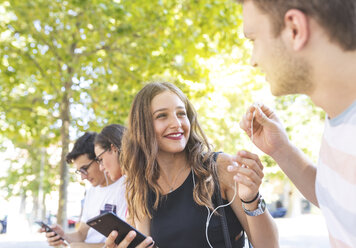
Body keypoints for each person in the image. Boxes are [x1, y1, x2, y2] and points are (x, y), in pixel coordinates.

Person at [236, 1, 356, 247]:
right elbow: (337, 199)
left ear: (294, 29)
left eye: (253, 40)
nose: (252, 60)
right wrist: (282, 150)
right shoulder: (338, 117)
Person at [104, 82, 279, 248]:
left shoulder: (219, 167)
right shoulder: (140, 187)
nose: (177, 123)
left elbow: (269, 246)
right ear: (142, 127)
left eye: (181, 114)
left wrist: (252, 199)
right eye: (162, 116)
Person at [41, 132, 112, 248]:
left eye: (84, 169)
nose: (83, 177)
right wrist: (63, 236)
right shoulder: (92, 192)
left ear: (99, 158)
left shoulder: (128, 187)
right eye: (80, 171)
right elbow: (81, 234)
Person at [94, 124, 127, 219]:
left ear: (114, 149)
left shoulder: (141, 184)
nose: (101, 168)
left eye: (101, 159)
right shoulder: (130, 184)